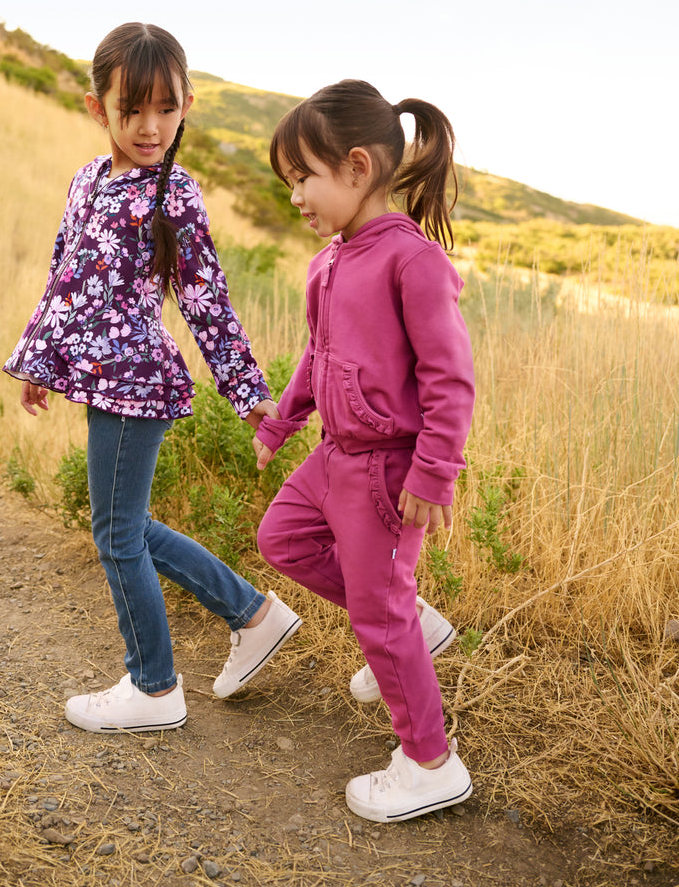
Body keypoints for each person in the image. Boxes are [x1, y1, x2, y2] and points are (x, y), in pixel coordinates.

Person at [3, 22, 302, 734]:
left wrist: (247, 391)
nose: (149, 126)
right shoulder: (86, 181)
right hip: (97, 378)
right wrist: (38, 361)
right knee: (124, 524)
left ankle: (155, 688)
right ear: (95, 107)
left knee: (115, 533)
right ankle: (253, 615)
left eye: (165, 109)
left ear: (187, 105)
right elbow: (63, 278)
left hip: (139, 385)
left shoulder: (178, 196)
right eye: (130, 109)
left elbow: (206, 302)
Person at [252, 79, 474, 821]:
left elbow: (450, 379)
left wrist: (434, 473)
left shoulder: (412, 262)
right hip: (333, 456)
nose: (296, 199)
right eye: (288, 185)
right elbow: (315, 359)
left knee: (377, 617)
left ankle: (428, 762)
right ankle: (411, 623)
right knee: (280, 537)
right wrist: (280, 424)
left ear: (355, 167)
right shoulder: (326, 264)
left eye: (303, 179)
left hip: (386, 467)